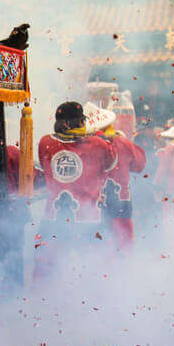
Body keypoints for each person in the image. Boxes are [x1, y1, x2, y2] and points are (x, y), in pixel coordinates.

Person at [36, 101, 116, 281]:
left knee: (47, 270)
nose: (83, 124)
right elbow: (110, 162)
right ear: (69, 123)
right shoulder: (98, 144)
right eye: (81, 121)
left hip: (54, 218)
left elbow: (43, 164)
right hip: (87, 219)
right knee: (90, 271)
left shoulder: (45, 142)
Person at [85, 103, 145, 254]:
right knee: (123, 245)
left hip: (90, 205)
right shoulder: (122, 142)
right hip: (120, 202)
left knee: (95, 249)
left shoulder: (81, 145)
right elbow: (140, 165)